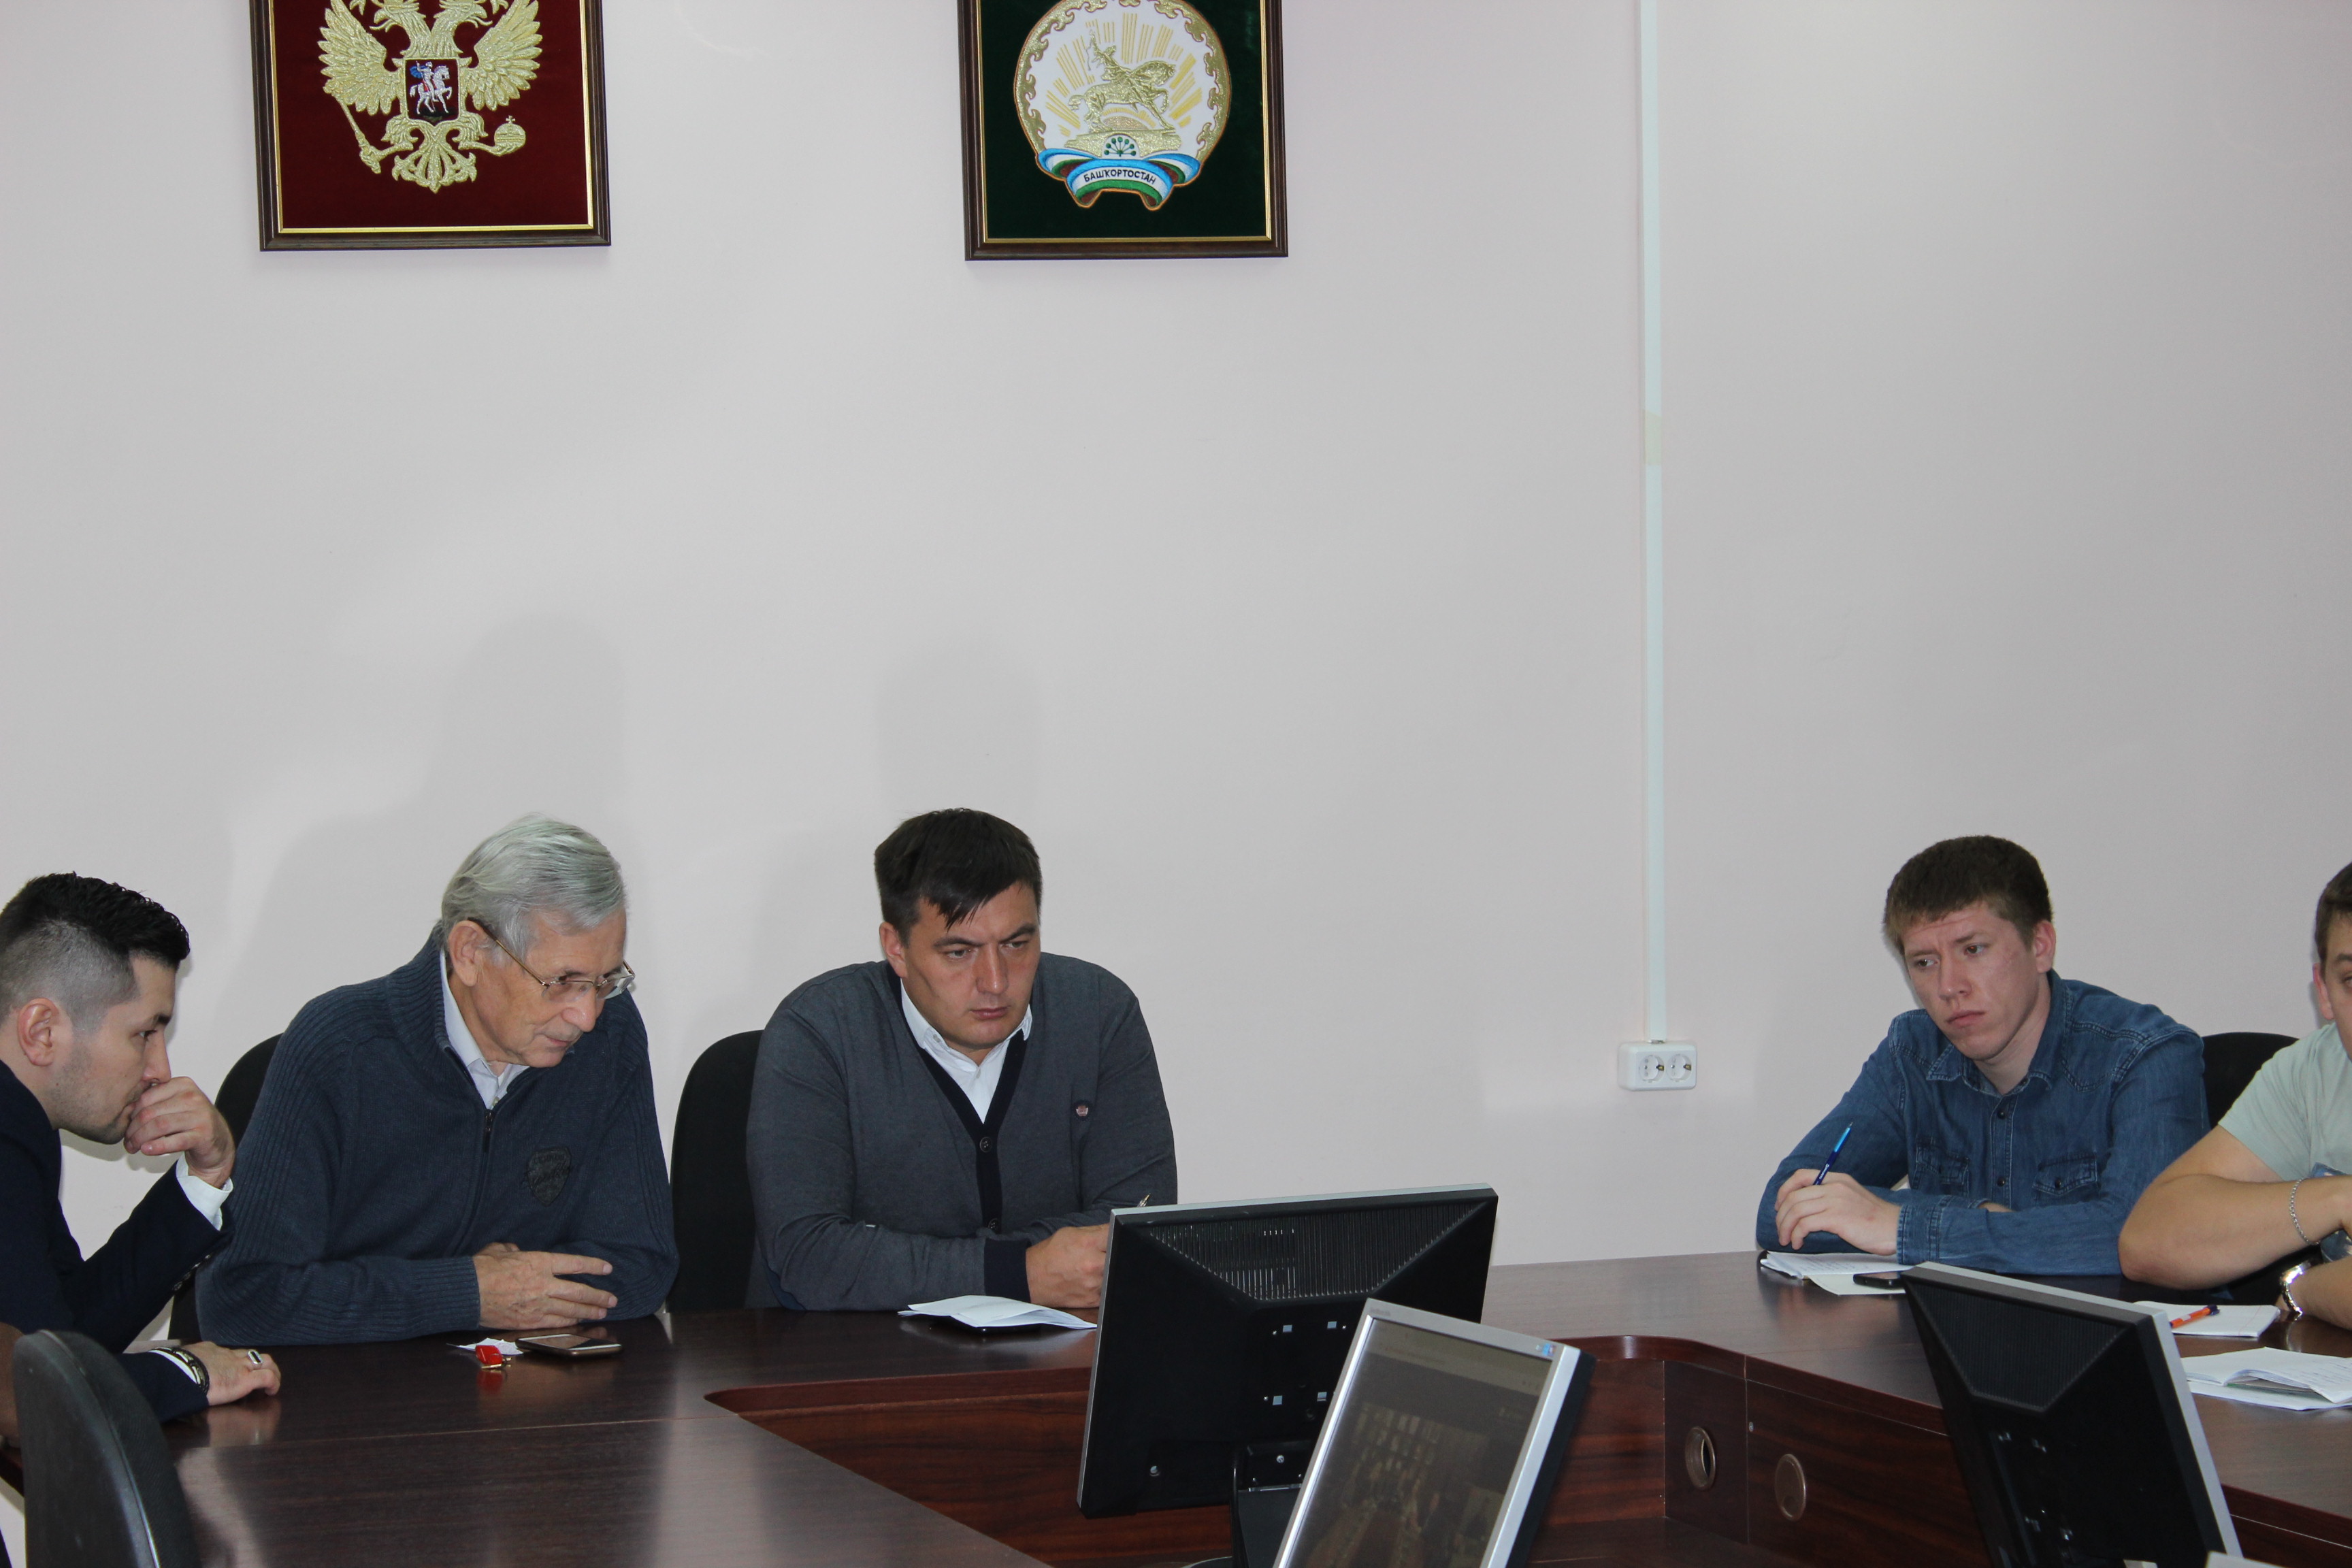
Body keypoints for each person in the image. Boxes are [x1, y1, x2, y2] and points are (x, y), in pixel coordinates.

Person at [198, 817, 676, 1344]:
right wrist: (466, 1292)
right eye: (562, 982)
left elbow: (642, 1265)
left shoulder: (610, 1035)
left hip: (519, 1384)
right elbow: (244, 1297)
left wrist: (509, 1291)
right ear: (470, 952)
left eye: (605, 981)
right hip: (349, 1388)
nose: (586, 1015)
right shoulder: (340, 1050)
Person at [749, 808, 1177, 1311]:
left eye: (1017, 944)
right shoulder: (819, 1031)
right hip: (852, 1352)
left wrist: (914, 1265)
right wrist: (1017, 1272)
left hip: (1054, 1349)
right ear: (896, 948)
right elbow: (810, 1255)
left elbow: (1137, 1223)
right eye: (959, 952)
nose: (995, 981)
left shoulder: (1099, 1013)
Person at [1758, 836, 2205, 1273]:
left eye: (1973, 950)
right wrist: (1981, 1218)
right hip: (1956, 1321)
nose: (1949, 986)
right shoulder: (1912, 1053)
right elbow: (1781, 1209)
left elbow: (2146, 1238)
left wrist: (1905, 1225)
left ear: (2040, 946)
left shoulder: (2144, 1055)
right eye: (1924, 962)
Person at [0, 875, 280, 1422]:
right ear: (42, 1030)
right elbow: (34, 1392)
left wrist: (204, 1177)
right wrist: (188, 1372)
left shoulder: (22, 1124)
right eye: (145, 1034)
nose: (160, 1071)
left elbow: (67, 1335)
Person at [2121, 860, 2352, 1318]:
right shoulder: (2316, 1069)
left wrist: (2304, 1291)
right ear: (2324, 992)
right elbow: (2148, 1241)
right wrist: (2337, 1198)